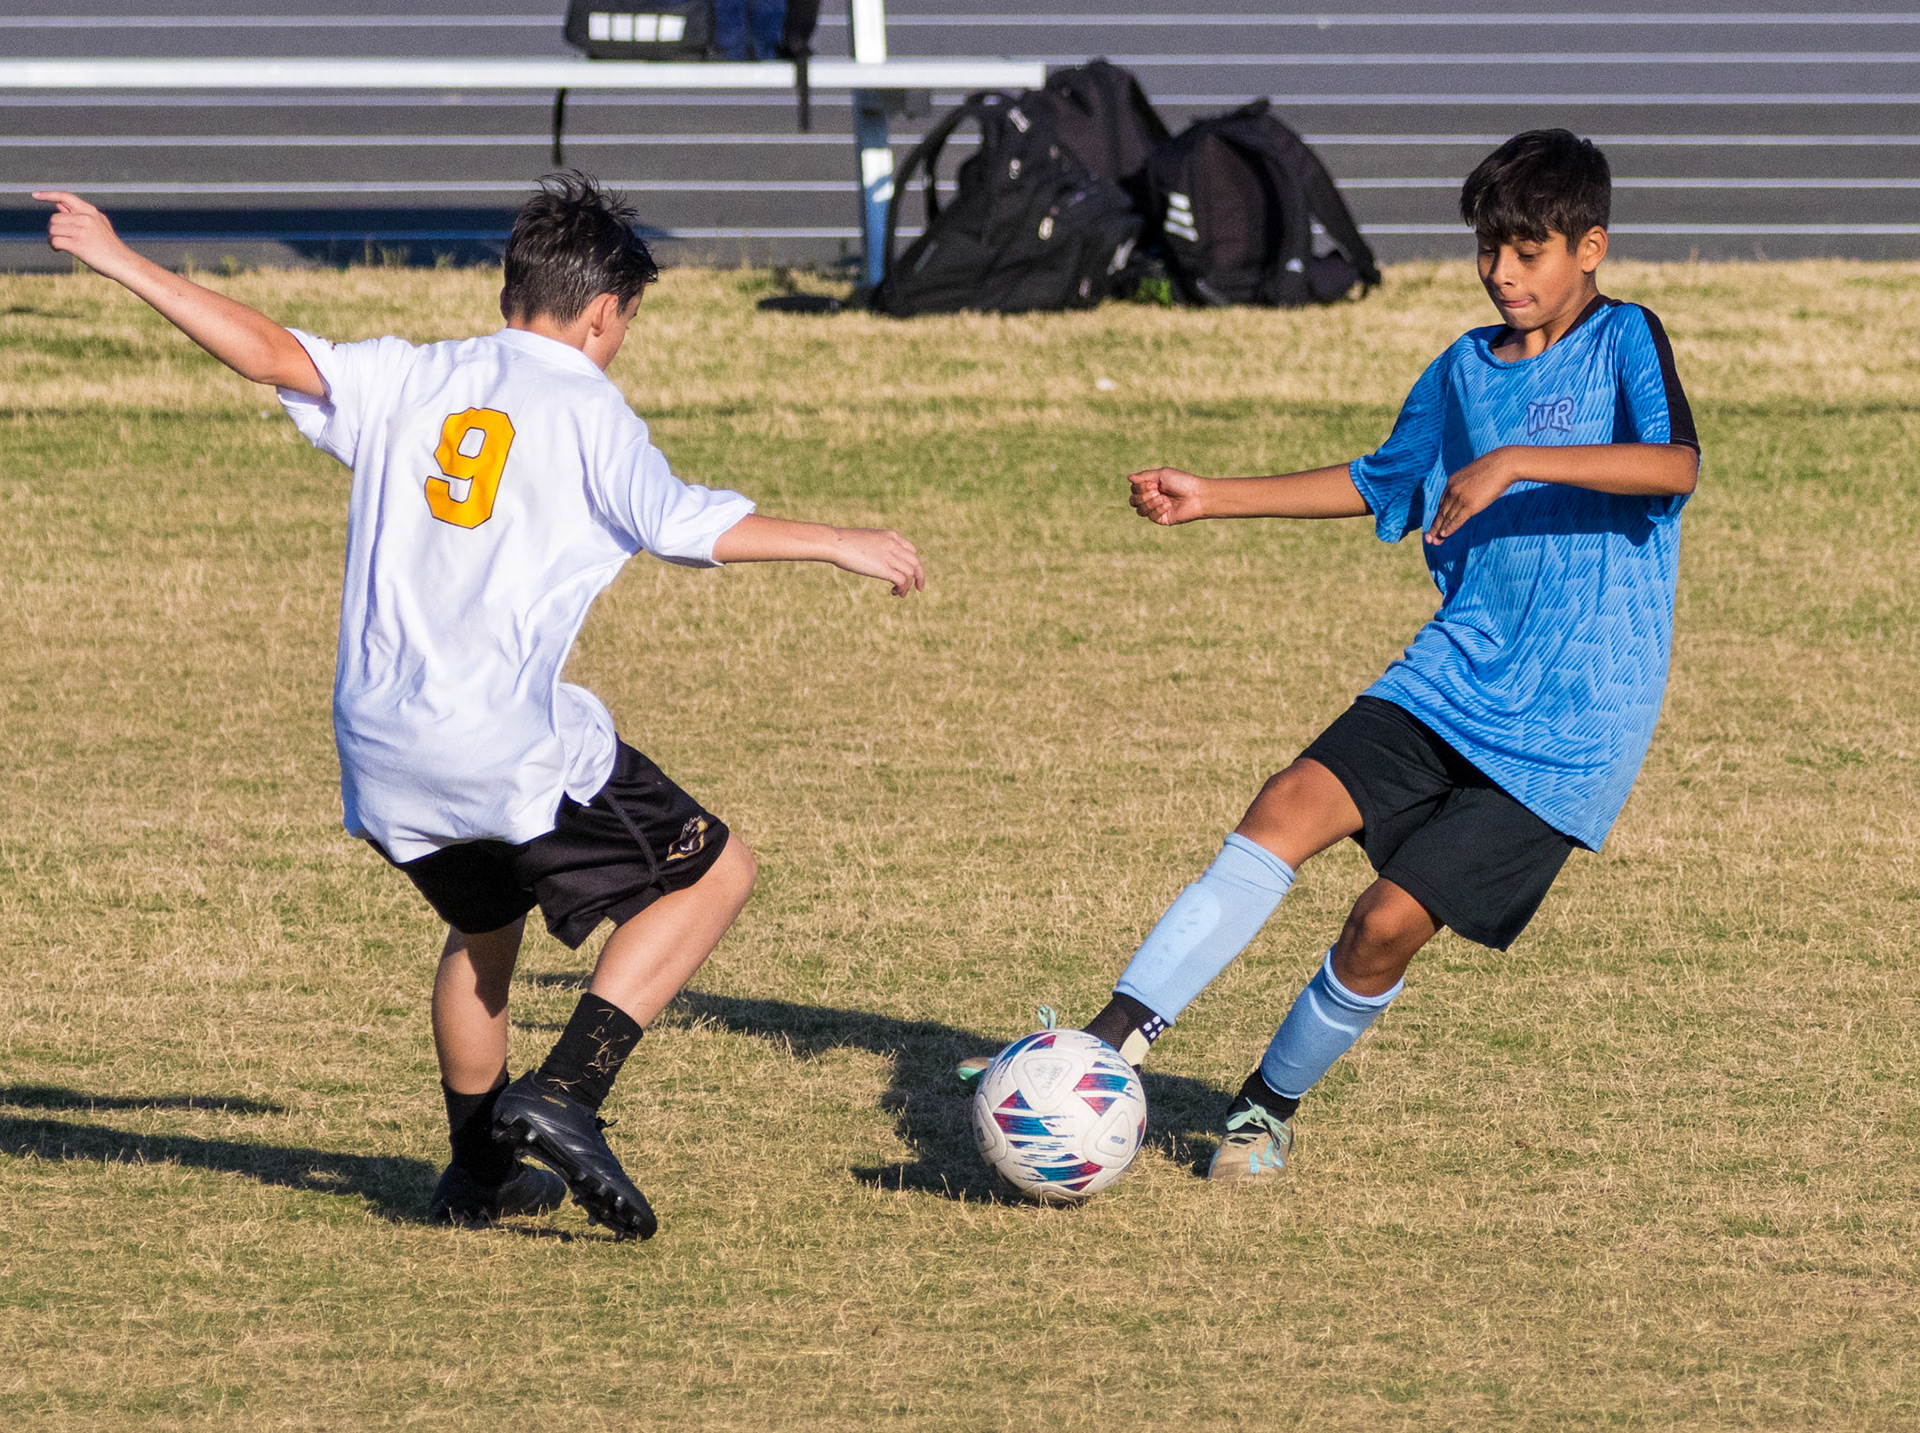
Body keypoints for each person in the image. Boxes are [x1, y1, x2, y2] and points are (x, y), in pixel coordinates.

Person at [39, 172, 923, 1238]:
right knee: (716, 872)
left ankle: (478, 1175)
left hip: (378, 749)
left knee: (485, 925)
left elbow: (267, 349)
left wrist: (118, 258)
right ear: (605, 313)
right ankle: (569, 1091)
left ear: (512, 291)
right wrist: (836, 540)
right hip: (497, 747)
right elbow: (683, 525)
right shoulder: (590, 410)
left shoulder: (411, 375)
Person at [1072, 129, 1699, 1181]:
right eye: (1488, 249)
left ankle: (1263, 1109)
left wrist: (1514, 461)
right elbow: (1380, 482)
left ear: (1589, 248)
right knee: (1284, 805)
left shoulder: (1626, 337)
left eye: (1529, 251)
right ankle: (1101, 1049)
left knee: (1381, 925)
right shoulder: (1463, 370)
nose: (1503, 273)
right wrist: (1212, 496)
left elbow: (1674, 465)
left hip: (1570, 724)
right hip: (1453, 674)